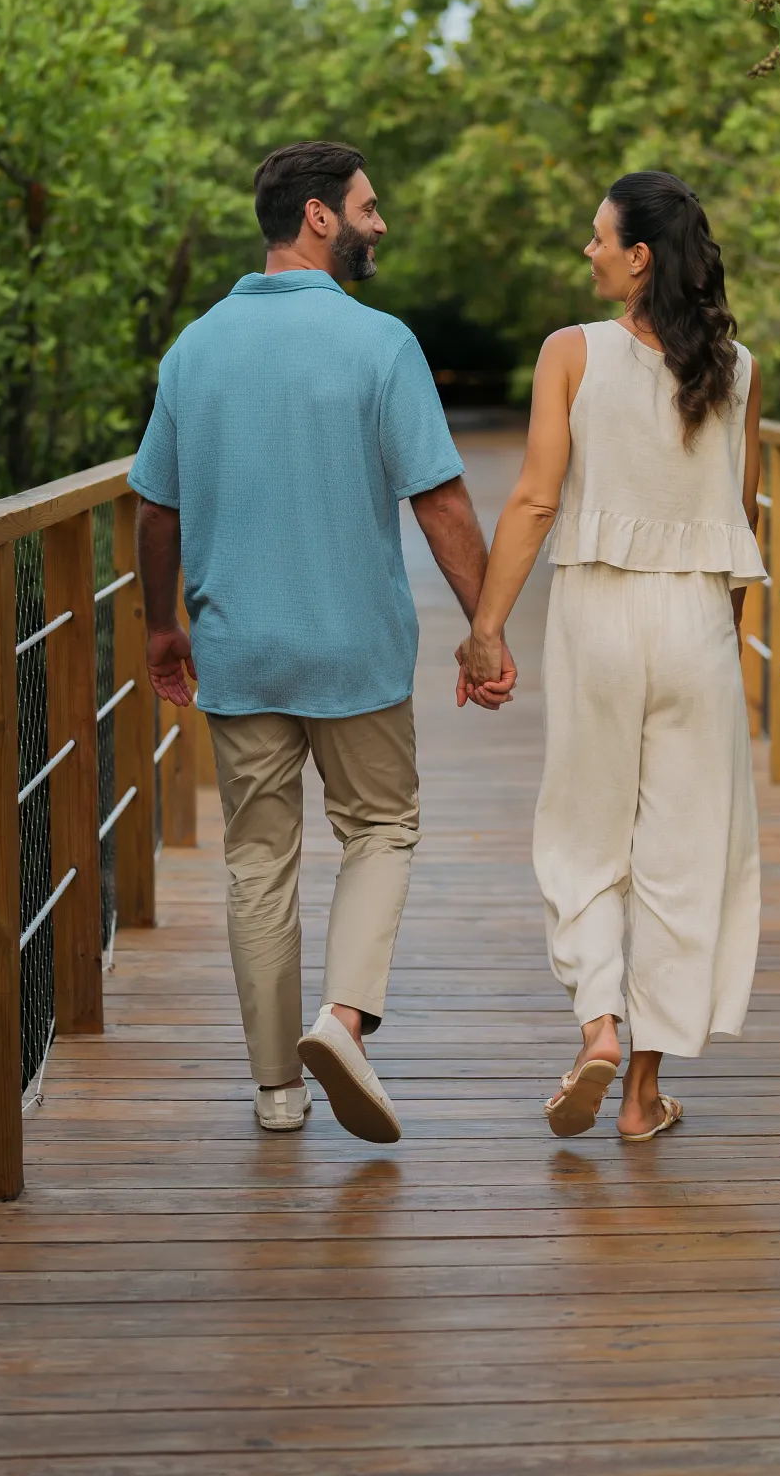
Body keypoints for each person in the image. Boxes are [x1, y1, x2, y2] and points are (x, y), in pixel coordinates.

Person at [130, 140, 514, 1144]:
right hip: (355, 650)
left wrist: (159, 622)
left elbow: (156, 507)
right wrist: (483, 630)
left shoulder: (194, 347)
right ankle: (343, 1016)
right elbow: (438, 499)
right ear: (318, 216)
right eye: (369, 206)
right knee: (380, 826)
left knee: (258, 861)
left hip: (239, 648)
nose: (380, 223)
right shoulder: (380, 343)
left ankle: (275, 1092)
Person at [458, 170, 762, 1142]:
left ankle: (598, 1024)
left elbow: (537, 500)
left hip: (598, 614)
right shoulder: (738, 366)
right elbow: (740, 520)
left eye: (598, 238)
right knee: (683, 852)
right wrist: (726, 642)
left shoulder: (572, 353)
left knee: (585, 831)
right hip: (699, 624)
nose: (586, 251)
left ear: (639, 256)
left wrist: (486, 627)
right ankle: (641, 1094)